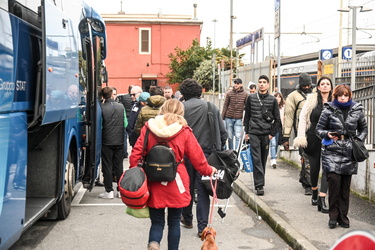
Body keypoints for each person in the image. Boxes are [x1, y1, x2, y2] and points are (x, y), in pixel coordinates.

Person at [129, 99, 217, 250]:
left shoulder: (148, 128)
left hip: (154, 180)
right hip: (177, 181)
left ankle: (154, 243)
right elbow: (198, 158)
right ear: (181, 112)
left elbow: (135, 154)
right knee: (174, 222)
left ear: (163, 110)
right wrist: (209, 170)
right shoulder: (183, 131)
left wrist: (135, 174)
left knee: (156, 222)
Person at [179, 78, 227, 236]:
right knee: (203, 189)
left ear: (183, 93)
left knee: (187, 187)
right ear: (199, 91)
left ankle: (187, 217)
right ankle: (202, 227)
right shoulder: (210, 106)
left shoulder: (181, 108)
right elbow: (222, 132)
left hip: (185, 154)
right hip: (206, 155)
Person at [316, 84, 367, 229]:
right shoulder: (328, 109)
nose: (343, 98)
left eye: (345, 95)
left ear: (349, 96)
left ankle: (343, 216)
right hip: (332, 150)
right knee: (334, 184)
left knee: (345, 188)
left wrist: (357, 140)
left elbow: (363, 129)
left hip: (349, 152)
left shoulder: (357, 110)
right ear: (336, 96)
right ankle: (333, 216)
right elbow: (318, 129)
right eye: (340, 95)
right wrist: (327, 134)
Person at [293, 77, 333, 213]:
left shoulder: (335, 100)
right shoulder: (312, 99)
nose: (325, 86)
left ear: (331, 87)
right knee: (314, 168)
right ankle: (315, 191)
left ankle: (322, 198)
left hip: (329, 138)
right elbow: (303, 117)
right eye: (323, 84)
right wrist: (301, 136)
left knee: (327, 168)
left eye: (328, 84)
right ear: (319, 87)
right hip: (313, 137)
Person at [244, 75, 281, 195]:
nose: (261, 84)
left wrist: (271, 134)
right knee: (256, 159)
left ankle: (260, 181)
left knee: (263, 158)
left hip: (266, 134)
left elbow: (277, 119)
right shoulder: (251, 98)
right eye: (260, 82)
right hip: (254, 132)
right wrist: (247, 132)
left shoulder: (272, 100)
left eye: (264, 82)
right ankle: (259, 185)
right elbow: (247, 116)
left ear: (268, 85)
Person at [282, 72, 314, 195]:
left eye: (308, 85)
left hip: (316, 132)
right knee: (305, 159)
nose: (307, 88)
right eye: (304, 86)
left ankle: (304, 178)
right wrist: (286, 137)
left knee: (311, 161)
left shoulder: (317, 93)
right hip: (301, 133)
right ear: (299, 84)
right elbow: (289, 117)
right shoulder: (293, 97)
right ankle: (308, 185)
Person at [99, 87, 128, 199]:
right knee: (119, 165)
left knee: (107, 165)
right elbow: (125, 123)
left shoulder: (101, 108)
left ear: (103, 96)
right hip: (119, 140)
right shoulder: (121, 107)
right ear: (112, 95)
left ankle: (108, 190)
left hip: (106, 140)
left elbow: (100, 125)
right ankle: (120, 190)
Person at [222, 78, 248, 150]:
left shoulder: (245, 94)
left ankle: (237, 151)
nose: (236, 84)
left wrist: (245, 117)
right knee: (229, 136)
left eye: (238, 83)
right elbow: (225, 105)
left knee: (238, 136)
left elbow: (247, 107)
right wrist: (222, 117)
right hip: (229, 117)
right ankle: (231, 151)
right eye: (235, 83)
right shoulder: (229, 93)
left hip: (238, 118)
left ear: (241, 84)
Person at [269, 91, 285, 168]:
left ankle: (273, 156)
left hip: (279, 127)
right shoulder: (271, 106)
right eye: (276, 96)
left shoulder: (283, 107)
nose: (277, 98)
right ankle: (273, 159)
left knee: (276, 145)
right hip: (271, 127)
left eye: (279, 97)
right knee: (273, 143)